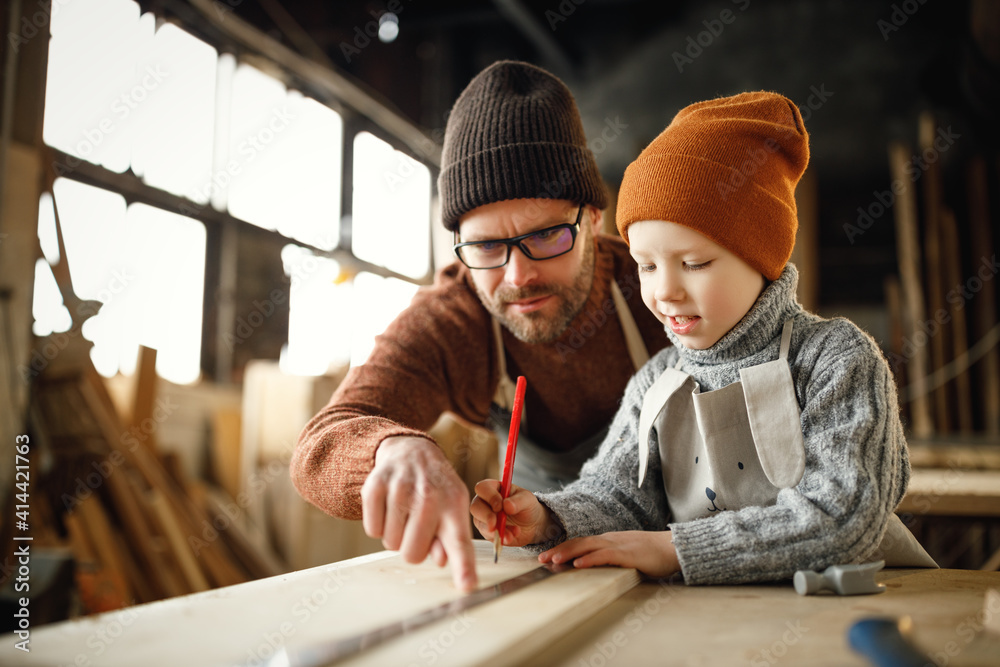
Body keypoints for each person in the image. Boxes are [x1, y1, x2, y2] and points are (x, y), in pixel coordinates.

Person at [471, 91, 937, 585]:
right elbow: (618, 495)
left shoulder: (835, 360)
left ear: (763, 258)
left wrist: (675, 548)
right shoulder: (657, 380)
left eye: (694, 263)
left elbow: (843, 516)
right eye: (646, 266)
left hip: (856, 612)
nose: (665, 291)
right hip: (714, 622)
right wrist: (545, 517)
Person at [291, 61, 668, 591]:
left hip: (675, 549)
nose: (519, 276)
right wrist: (391, 449)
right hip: (554, 564)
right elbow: (319, 447)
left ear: (594, 222)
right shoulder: (455, 321)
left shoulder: (656, 288)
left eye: (546, 236)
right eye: (487, 246)